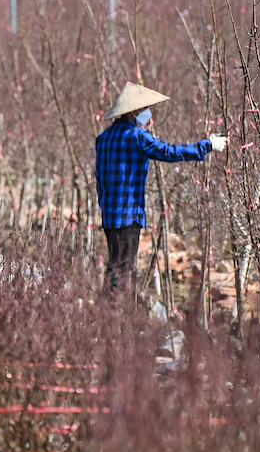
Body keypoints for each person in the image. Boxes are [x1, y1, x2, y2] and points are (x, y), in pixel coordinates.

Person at [95, 82, 228, 294]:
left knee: (115, 266)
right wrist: (207, 145)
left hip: (110, 215)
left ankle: (106, 315)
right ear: (134, 111)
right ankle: (110, 317)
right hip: (128, 215)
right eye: (144, 109)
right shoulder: (137, 137)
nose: (148, 113)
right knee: (123, 271)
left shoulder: (103, 139)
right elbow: (168, 152)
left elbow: (99, 178)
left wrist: (104, 203)